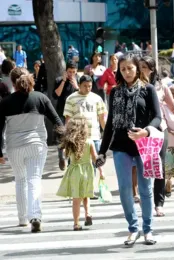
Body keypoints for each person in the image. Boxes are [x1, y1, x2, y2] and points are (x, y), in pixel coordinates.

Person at [96, 54, 161, 246]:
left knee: (145, 189)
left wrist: (146, 131)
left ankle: (148, 229)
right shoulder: (115, 92)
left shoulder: (148, 90)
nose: (127, 72)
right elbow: (109, 125)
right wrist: (102, 152)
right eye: (123, 69)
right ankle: (133, 228)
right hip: (121, 146)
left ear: (138, 69)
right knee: (125, 189)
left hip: (144, 144)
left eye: (130, 68)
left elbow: (158, 117)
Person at [0, 68, 63, 232]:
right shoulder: (40, 98)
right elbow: (57, 121)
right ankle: (35, 215)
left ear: (13, 83)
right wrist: (65, 142)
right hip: (36, 145)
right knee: (34, 179)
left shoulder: (5, 102)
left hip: (14, 148)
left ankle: (22, 219)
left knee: (20, 180)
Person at [140, 56, 174, 216]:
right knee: (143, 165)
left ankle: (159, 203)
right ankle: (145, 197)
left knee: (159, 165)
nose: (141, 70)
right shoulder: (134, 86)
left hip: (160, 128)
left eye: (145, 67)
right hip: (141, 130)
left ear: (152, 70)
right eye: (140, 67)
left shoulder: (161, 87)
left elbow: (173, 107)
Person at [56, 118, 103, 231]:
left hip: (75, 171)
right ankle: (88, 214)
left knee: (76, 199)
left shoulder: (70, 143)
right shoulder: (89, 142)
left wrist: (62, 157)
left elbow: (63, 152)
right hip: (88, 171)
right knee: (86, 194)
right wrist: (101, 171)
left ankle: (76, 223)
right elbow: (95, 158)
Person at [53, 61, 79, 170]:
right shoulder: (59, 80)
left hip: (74, 113)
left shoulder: (77, 81)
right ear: (66, 71)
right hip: (61, 112)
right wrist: (63, 81)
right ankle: (61, 156)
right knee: (61, 136)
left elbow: (82, 94)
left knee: (72, 136)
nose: (71, 74)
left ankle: (69, 161)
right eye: (69, 72)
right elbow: (56, 95)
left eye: (73, 72)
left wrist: (76, 86)